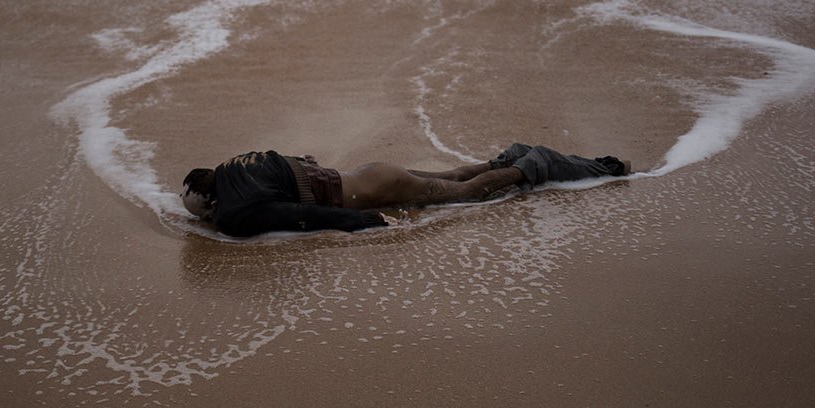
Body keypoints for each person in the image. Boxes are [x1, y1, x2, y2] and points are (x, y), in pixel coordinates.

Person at [181, 143, 630, 238]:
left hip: (368, 193)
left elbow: (302, 217)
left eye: (200, 213)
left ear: (212, 199)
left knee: (466, 192)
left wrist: (365, 222)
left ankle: (531, 165)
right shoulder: (240, 165)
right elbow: (301, 164)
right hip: (370, 175)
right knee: (454, 177)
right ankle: (506, 159)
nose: (202, 220)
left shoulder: (234, 209)